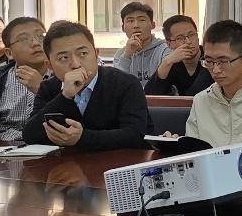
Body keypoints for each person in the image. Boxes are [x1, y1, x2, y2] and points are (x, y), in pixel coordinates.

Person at [24, 20, 150, 150]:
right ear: (49, 65)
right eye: (64, 58)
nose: (76, 64)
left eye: (83, 54)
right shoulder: (48, 88)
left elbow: (134, 135)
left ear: (96, 54)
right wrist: (65, 96)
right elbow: (30, 136)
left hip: (119, 161)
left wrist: (82, 138)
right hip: (67, 162)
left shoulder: (126, 83)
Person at [144, 14, 213, 97]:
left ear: (197, 37)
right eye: (180, 38)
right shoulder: (171, 63)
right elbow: (150, 96)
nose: (188, 41)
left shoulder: (212, 59)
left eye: (191, 35)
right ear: (169, 44)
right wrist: (167, 62)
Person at [111, 2, 170, 90]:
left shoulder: (165, 50)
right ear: (123, 28)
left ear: (153, 25)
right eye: (130, 21)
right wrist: (127, 55)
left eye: (142, 20)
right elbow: (117, 86)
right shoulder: (120, 55)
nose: (136, 26)